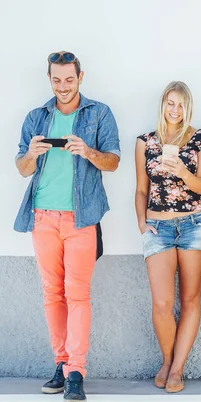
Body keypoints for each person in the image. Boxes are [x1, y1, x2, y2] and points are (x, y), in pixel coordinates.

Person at [14, 51, 120, 401]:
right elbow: (22, 168)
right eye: (56, 79)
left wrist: (87, 152)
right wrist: (31, 154)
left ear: (81, 77)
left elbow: (114, 161)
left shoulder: (99, 113)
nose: (63, 86)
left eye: (69, 79)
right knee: (52, 294)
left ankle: (76, 371)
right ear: (49, 78)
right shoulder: (36, 117)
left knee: (78, 295)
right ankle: (60, 363)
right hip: (42, 217)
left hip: (81, 218)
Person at [134, 81, 201, 393]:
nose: (175, 110)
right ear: (163, 104)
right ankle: (167, 359)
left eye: (181, 104)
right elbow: (142, 188)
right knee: (162, 302)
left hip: (194, 224)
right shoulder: (145, 141)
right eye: (171, 103)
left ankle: (177, 369)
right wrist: (142, 224)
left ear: (188, 107)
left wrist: (181, 170)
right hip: (159, 227)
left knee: (190, 299)